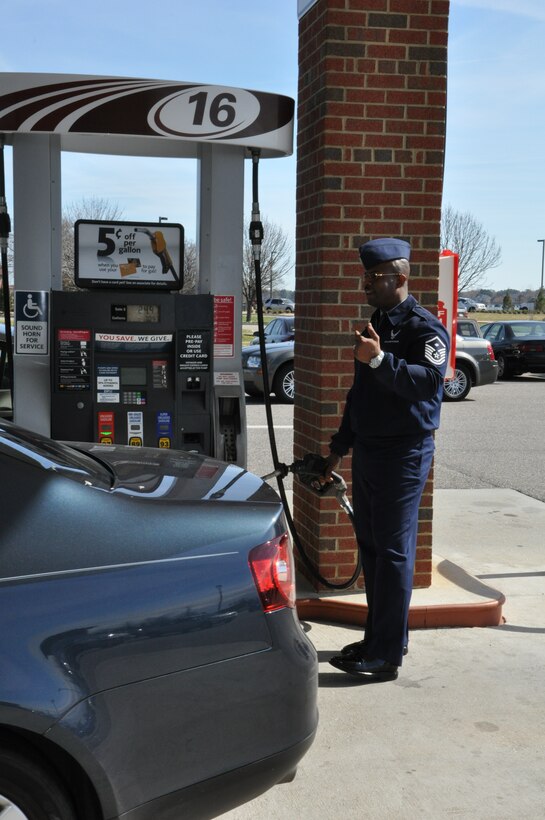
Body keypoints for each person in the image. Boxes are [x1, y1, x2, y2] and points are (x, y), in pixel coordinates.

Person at [326, 237, 450, 681]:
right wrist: (340, 447)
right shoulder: (376, 322)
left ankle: (386, 655)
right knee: (373, 549)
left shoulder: (424, 328)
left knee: (394, 553)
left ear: (399, 278)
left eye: (374, 277)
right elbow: (359, 395)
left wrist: (379, 359)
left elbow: (427, 384)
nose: (366, 285)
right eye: (365, 277)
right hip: (370, 450)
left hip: (405, 453)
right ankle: (378, 638)